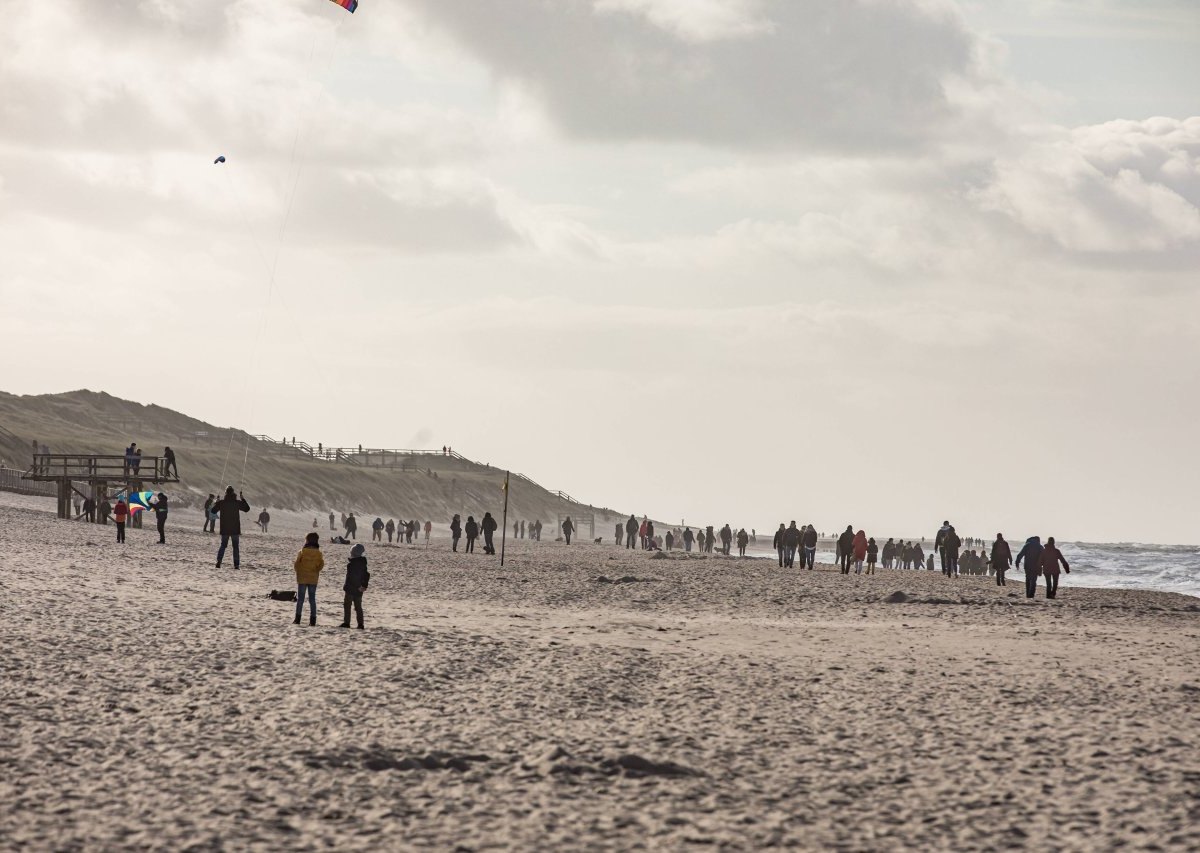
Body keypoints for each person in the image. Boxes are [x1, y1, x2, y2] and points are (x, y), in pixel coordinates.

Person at [213, 486, 251, 569]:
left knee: (223, 545)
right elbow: (247, 509)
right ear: (233, 493)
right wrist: (243, 499)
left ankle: (219, 561)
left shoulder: (222, 503)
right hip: (235, 529)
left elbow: (213, 511)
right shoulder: (236, 502)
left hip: (225, 529)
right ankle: (236, 565)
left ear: (226, 493)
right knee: (236, 547)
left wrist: (216, 502)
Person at [293, 532, 324, 626]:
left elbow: (296, 564)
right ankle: (313, 620)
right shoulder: (318, 553)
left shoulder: (302, 552)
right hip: (313, 579)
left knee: (300, 599)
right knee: (312, 599)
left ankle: (297, 619)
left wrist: (299, 572)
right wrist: (315, 571)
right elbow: (321, 565)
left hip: (302, 578)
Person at [340, 543, 370, 629]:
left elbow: (351, 577)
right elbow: (366, 575)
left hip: (351, 588)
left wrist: (361, 586)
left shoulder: (351, 564)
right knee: (358, 607)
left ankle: (347, 622)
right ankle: (360, 624)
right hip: (359, 589)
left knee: (347, 606)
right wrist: (364, 586)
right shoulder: (363, 563)